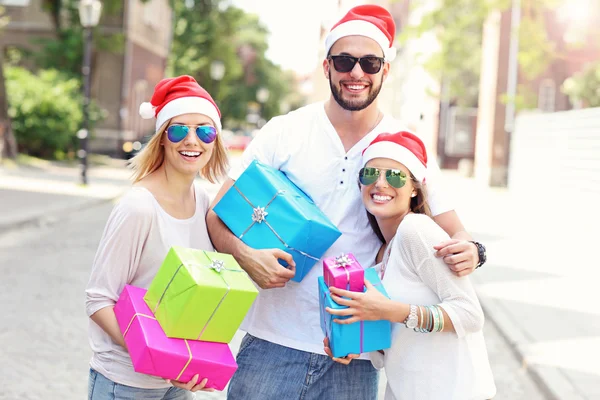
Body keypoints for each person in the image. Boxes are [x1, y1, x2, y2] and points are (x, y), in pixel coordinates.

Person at [206, 5, 486, 399]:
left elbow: (457, 234)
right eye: (345, 60)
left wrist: (473, 250)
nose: (357, 73)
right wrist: (245, 255)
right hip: (273, 343)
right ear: (327, 67)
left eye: (370, 62)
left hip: (353, 352)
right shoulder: (285, 131)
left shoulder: (405, 146)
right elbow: (218, 213)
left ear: (385, 70)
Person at [85, 75, 228, 399]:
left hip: (176, 383)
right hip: (126, 382)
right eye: (179, 129)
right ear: (162, 138)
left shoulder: (207, 204)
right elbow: (97, 300)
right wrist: (160, 359)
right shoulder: (139, 207)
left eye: (204, 130)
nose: (192, 140)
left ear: (215, 140)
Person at [324, 131, 496, 399]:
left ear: (414, 188)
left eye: (394, 176)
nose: (380, 184)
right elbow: (396, 339)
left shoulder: (415, 230)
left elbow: (470, 315)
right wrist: (355, 342)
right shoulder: (383, 254)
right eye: (370, 174)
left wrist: (392, 310)